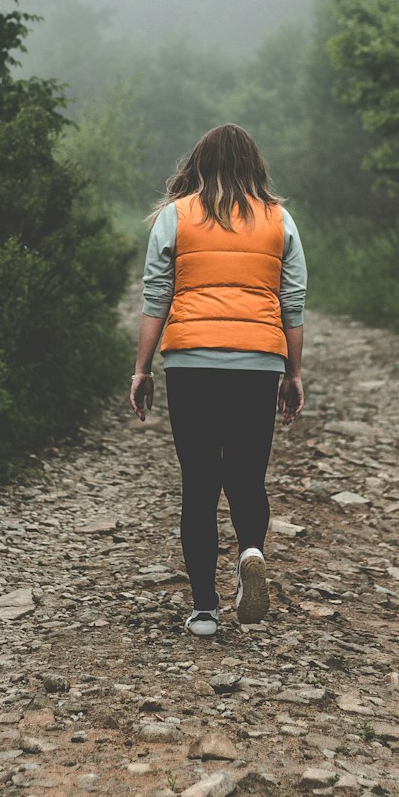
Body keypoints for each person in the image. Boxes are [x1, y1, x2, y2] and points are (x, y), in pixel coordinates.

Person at [129, 123, 307, 637]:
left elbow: (155, 298)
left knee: (200, 483)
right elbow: (290, 303)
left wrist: (142, 369)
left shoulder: (175, 217)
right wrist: (292, 373)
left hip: (191, 364)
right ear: (255, 166)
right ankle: (250, 550)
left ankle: (205, 610)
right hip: (257, 363)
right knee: (248, 475)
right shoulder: (280, 220)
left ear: (197, 165)